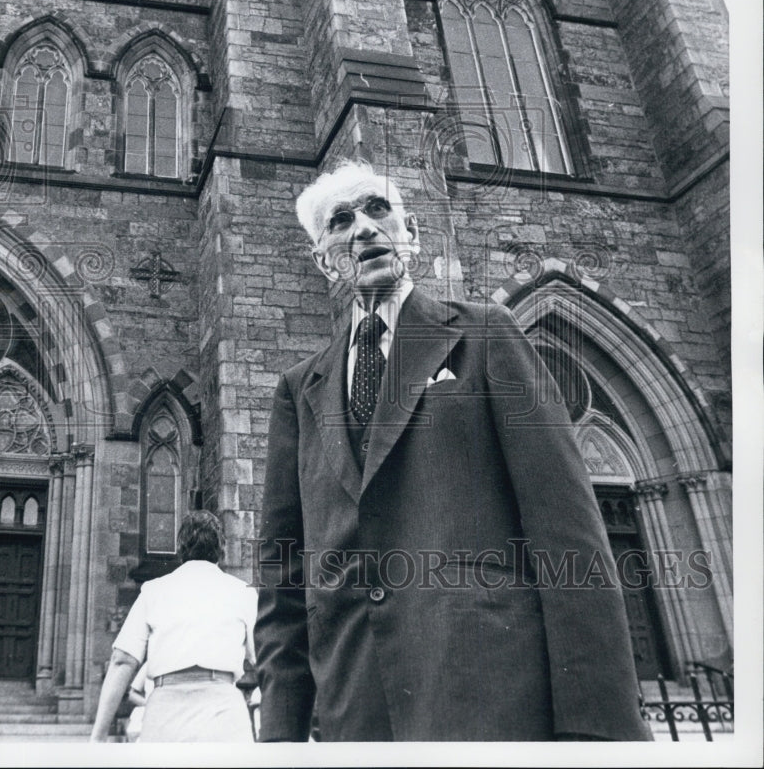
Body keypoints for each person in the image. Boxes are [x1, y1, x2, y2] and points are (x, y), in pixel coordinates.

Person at [254, 159, 652, 742]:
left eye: (377, 210)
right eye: (340, 221)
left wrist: (598, 730)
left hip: (489, 699)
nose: (363, 228)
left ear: (410, 234)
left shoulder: (487, 335)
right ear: (324, 261)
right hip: (357, 712)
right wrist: (281, 740)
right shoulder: (299, 389)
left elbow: (567, 530)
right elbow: (283, 573)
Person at [90, 510, 259, 742]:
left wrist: (97, 738)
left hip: (166, 714)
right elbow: (265, 661)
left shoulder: (154, 590)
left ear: (181, 549)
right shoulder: (243, 592)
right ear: (222, 550)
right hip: (223, 713)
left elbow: (122, 661)